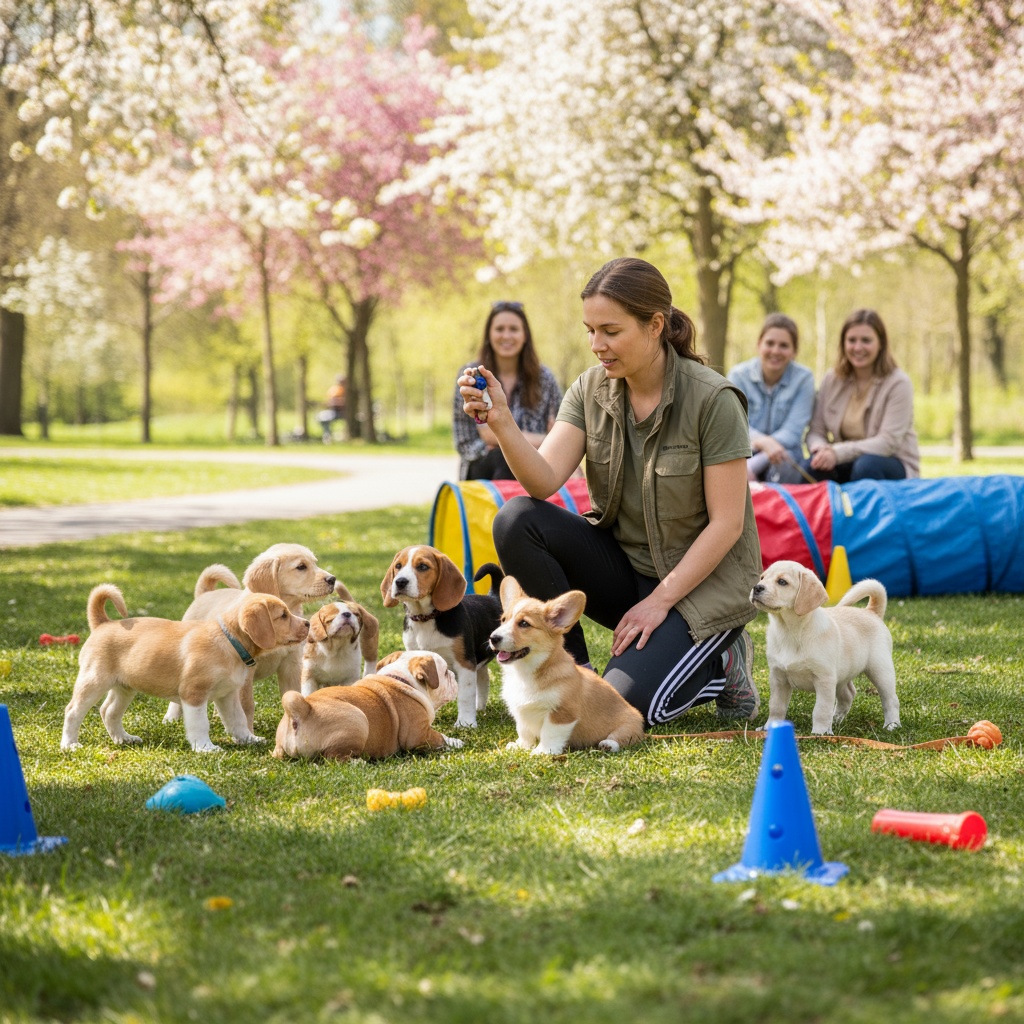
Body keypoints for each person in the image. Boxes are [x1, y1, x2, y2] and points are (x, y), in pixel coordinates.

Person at [459, 258, 763, 726]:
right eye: (590, 331)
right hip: (626, 570)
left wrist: (659, 601)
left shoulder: (713, 400)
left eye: (610, 331)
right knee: (517, 518)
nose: (597, 345)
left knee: (630, 710)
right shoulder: (589, 390)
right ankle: (573, 672)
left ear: (655, 325)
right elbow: (542, 480)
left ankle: (720, 664)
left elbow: (729, 524)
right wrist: (501, 420)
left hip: (697, 587)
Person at [802, 309, 920, 481]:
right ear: (843, 344)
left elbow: (887, 443)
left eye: (866, 340)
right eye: (851, 340)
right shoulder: (832, 379)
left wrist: (837, 452)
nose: (858, 347)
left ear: (881, 343)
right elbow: (815, 431)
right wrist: (821, 450)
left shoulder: (899, 383)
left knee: (866, 465)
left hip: (889, 462)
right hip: (842, 459)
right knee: (812, 467)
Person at [452, 301, 563, 480]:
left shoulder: (544, 379)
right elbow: (483, 436)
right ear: (489, 334)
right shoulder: (473, 375)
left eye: (513, 329)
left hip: (535, 465)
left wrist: (501, 439)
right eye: (500, 329)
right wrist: (542, 440)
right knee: (504, 459)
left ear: (525, 335)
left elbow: (561, 434)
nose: (506, 335)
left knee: (521, 461)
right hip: (482, 467)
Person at [728, 313, 815, 483]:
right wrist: (763, 443)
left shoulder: (804, 379)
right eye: (770, 343)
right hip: (744, 452)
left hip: (785, 457)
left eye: (784, 345)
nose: (775, 351)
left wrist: (764, 454)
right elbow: (733, 423)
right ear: (759, 345)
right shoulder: (738, 376)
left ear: (794, 351)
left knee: (784, 462)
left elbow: (794, 430)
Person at [320, 375, 347, 442]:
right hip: (334, 411)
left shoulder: (348, 390)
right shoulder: (335, 389)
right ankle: (327, 436)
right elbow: (330, 401)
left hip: (344, 412)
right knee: (322, 417)